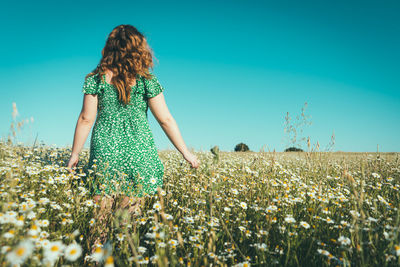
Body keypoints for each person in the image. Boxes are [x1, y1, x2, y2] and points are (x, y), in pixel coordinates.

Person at [66, 24, 200, 246]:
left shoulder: (96, 79)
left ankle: (96, 260)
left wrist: (74, 154)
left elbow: (86, 119)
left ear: (109, 48)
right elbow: (165, 119)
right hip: (140, 154)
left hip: (105, 153)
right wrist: (186, 153)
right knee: (127, 227)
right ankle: (122, 257)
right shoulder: (147, 81)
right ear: (140, 50)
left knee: (99, 222)